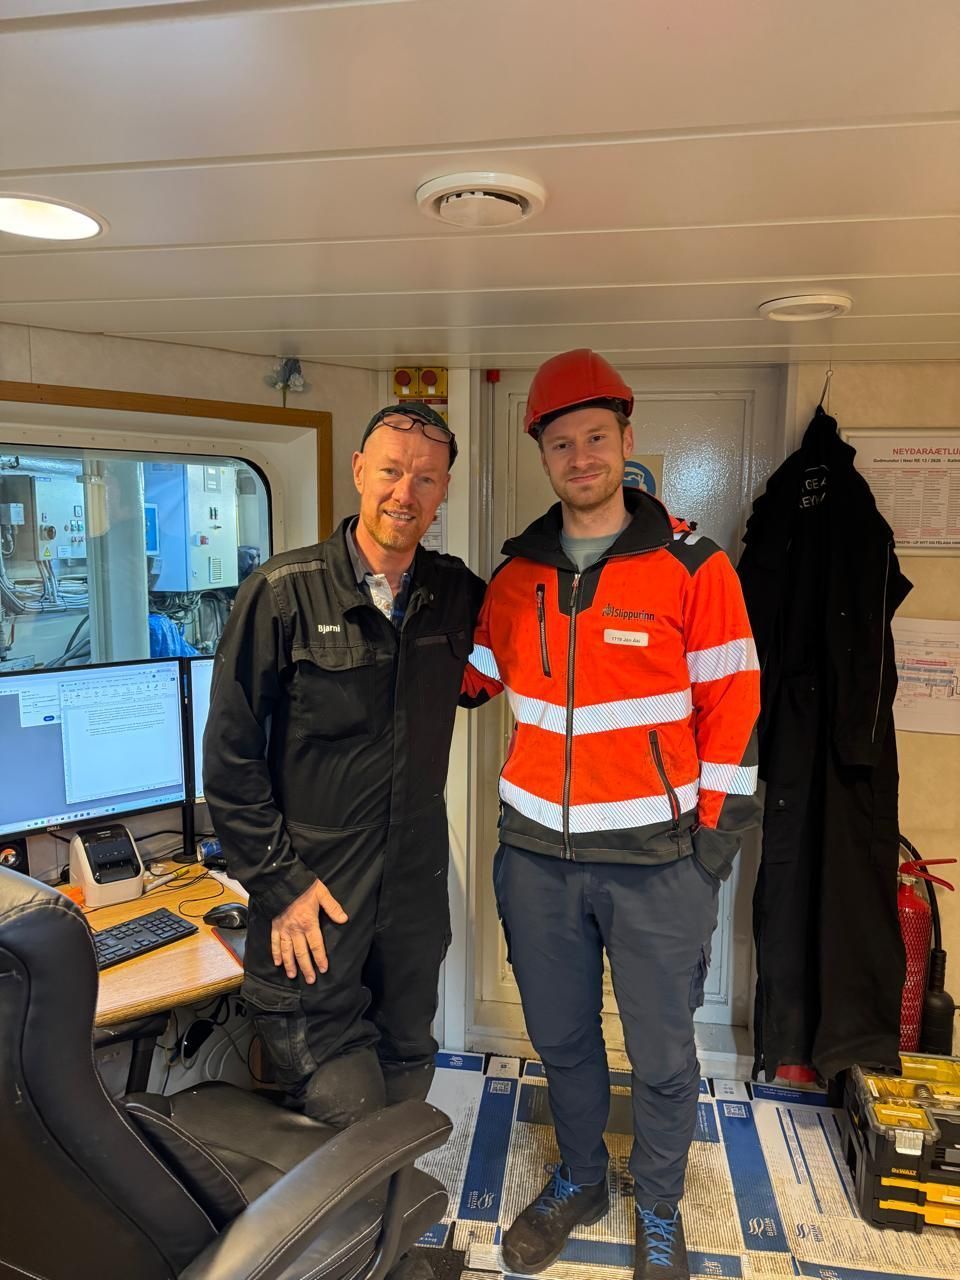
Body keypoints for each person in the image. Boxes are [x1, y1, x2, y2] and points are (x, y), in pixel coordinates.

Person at [461, 351, 760, 1280]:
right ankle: (582, 1178)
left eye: (596, 437)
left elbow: (737, 711)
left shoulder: (694, 568)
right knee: (561, 1039)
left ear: (627, 441)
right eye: (562, 443)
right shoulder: (515, 577)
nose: (581, 456)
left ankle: (660, 1207)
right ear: (543, 456)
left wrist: (711, 850)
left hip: (660, 865)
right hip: (536, 860)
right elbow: (464, 679)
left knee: (663, 1055)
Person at [204, 401, 484, 1142]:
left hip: (413, 899)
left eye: (426, 478)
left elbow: (519, 646)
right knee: (346, 1107)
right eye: (390, 471)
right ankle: (350, 1214)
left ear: (444, 490)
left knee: (409, 1069)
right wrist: (281, 886)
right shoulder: (281, 593)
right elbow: (229, 760)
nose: (404, 493)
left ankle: (387, 1209)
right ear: (359, 472)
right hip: (314, 904)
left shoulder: (455, 595)